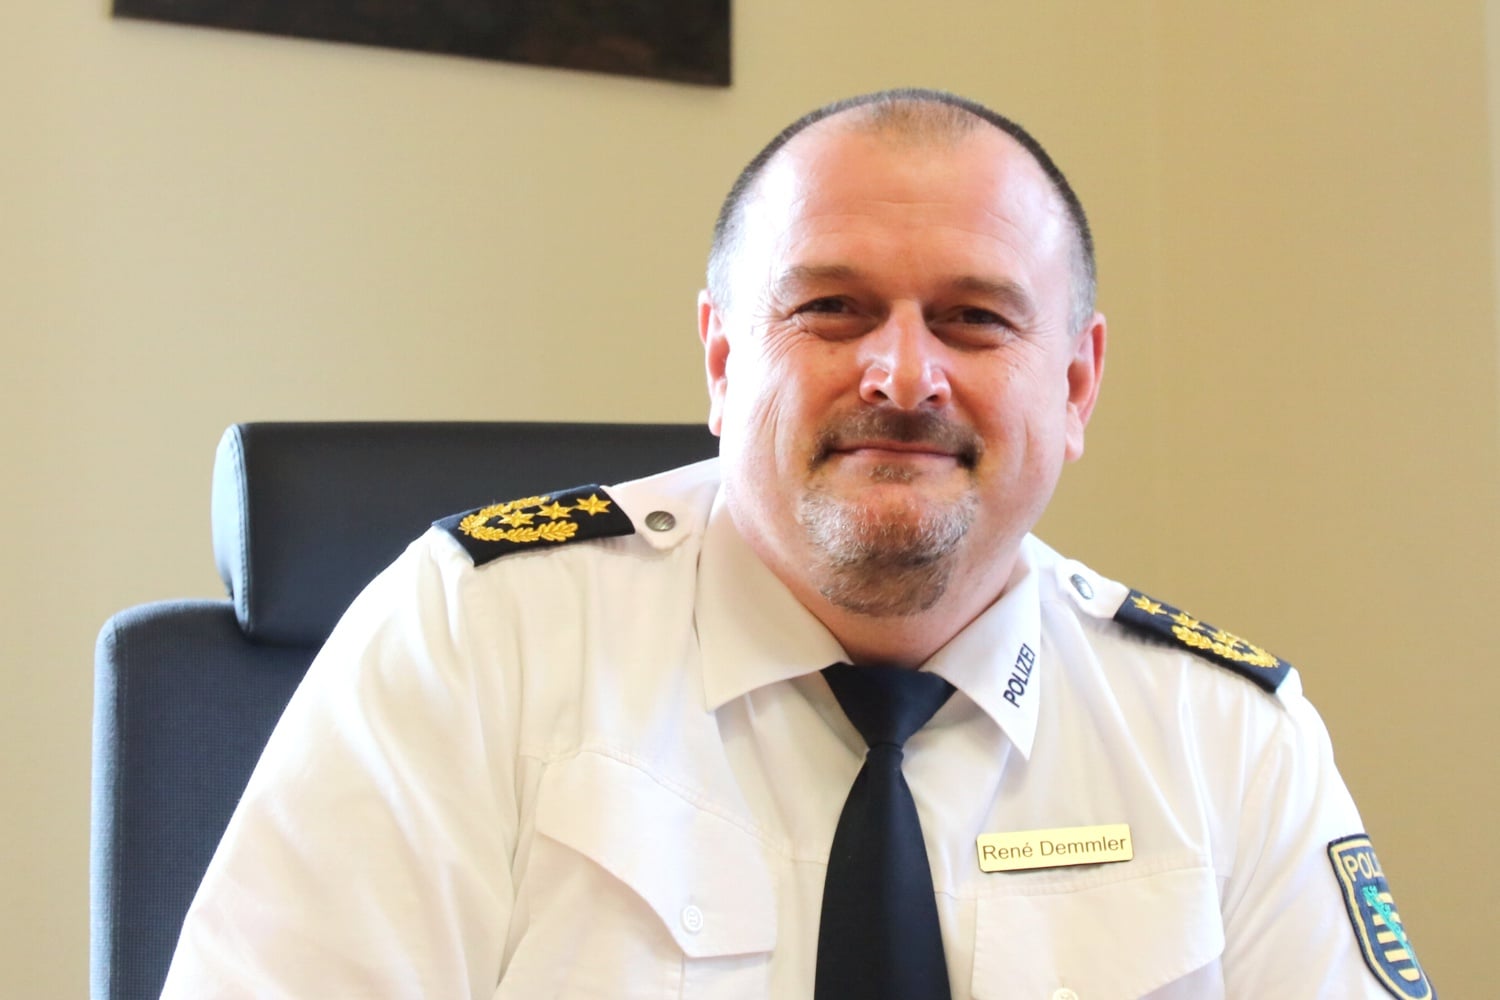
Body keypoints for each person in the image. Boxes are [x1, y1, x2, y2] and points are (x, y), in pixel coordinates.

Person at [162, 89, 1432, 999]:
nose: (904, 374)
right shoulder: (478, 636)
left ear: (1077, 384)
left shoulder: (1225, 737)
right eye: (832, 307)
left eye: (975, 319)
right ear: (723, 360)